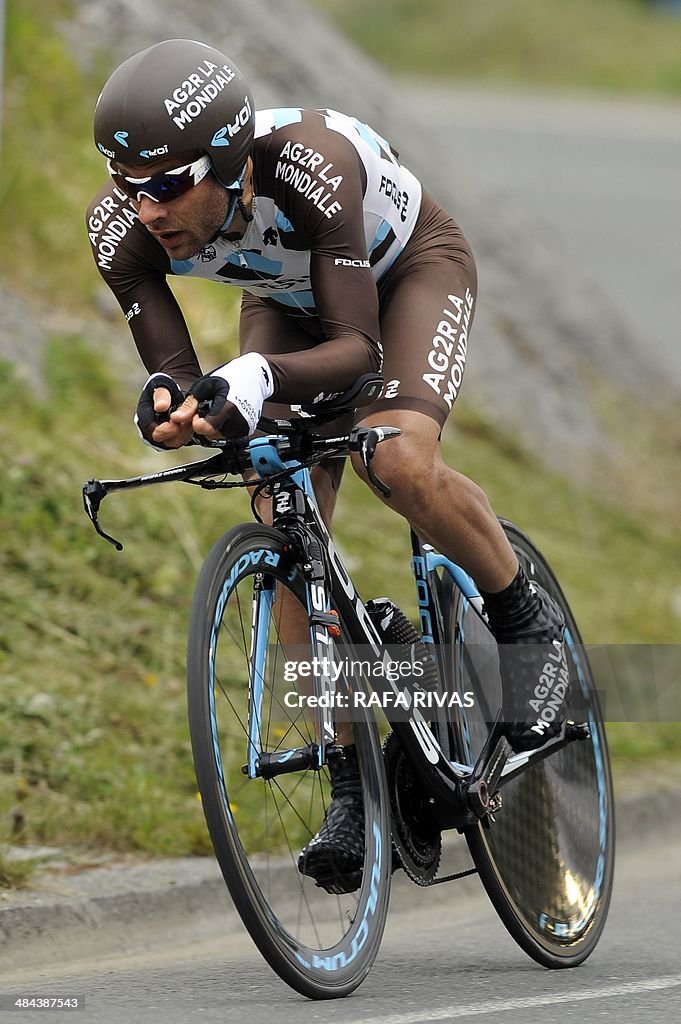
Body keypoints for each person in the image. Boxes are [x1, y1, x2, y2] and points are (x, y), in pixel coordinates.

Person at [88, 38, 569, 893]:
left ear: (231, 162)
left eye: (168, 184)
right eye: (128, 185)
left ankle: (528, 629)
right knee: (281, 522)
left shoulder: (307, 166)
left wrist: (260, 375)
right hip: (289, 301)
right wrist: (174, 405)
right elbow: (171, 368)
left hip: (402, 274)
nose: (145, 207)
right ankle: (352, 782)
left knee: (395, 459)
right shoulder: (122, 227)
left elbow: (354, 348)